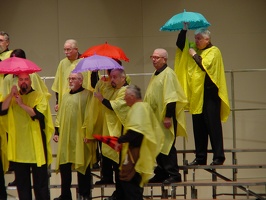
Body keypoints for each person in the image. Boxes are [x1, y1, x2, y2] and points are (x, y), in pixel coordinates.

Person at [175, 24, 230, 165]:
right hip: (197, 94)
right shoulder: (196, 49)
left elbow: (205, 65)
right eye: (195, 38)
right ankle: (200, 157)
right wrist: (184, 29)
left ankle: (219, 156)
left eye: (199, 38)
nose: (196, 41)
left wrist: (193, 54)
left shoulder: (214, 51)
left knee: (213, 125)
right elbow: (180, 44)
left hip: (210, 94)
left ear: (207, 39)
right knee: (198, 127)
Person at [0, 73, 54, 200]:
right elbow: (2, 110)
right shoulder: (13, 97)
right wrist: (10, 94)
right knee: (23, 187)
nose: (23, 82)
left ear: (31, 81)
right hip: (20, 149)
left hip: (37, 148)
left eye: (26, 79)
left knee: (40, 187)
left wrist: (22, 105)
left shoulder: (39, 96)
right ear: (17, 82)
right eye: (21, 79)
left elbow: (38, 116)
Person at [144, 48, 188, 184]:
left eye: (157, 57)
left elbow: (171, 98)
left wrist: (168, 116)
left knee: (167, 145)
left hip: (165, 117)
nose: (154, 59)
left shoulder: (168, 74)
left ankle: (174, 174)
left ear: (165, 59)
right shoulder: (156, 74)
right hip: (156, 118)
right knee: (157, 145)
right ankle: (162, 172)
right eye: (153, 57)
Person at [53, 72, 96, 200]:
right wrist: (57, 132)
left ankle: (84, 193)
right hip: (66, 136)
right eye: (69, 79)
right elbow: (60, 115)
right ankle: (65, 194)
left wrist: (88, 133)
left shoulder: (88, 95)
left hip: (80, 136)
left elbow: (90, 115)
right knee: (64, 166)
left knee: (83, 164)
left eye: (73, 79)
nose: (70, 81)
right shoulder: (65, 96)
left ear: (81, 81)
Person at [116, 85, 164, 200]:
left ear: (132, 96)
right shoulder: (143, 107)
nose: (124, 99)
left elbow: (135, 132)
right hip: (138, 152)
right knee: (129, 187)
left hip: (136, 153)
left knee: (130, 185)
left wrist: (120, 140)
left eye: (125, 96)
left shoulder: (139, 108)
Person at [93, 68, 129, 199]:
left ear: (123, 79)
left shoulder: (126, 91)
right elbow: (102, 89)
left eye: (114, 77)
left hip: (121, 132)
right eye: (111, 77)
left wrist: (102, 99)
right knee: (108, 159)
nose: (111, 80)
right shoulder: (114, 89)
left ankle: (120, 193)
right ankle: (109, 181)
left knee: (119, 166)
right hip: (109, 129)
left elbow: (114, 105)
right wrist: (101, 81)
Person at [51, 39, 95, 112]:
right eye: (64, 50)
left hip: (83, 100)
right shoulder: (62, 63)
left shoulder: (86, 61)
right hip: (67, 100)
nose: (66, 52)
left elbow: (94, 83)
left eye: (68, 50)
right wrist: (57, 102)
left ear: (76, 49)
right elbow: (58, 84)